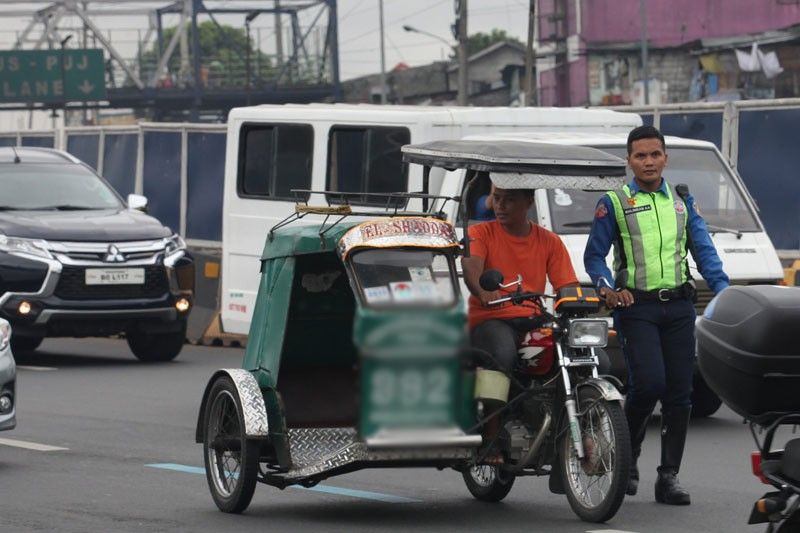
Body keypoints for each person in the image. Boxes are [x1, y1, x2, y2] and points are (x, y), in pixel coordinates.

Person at [584, 125, 729, 506]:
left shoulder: (682, 201)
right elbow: (594, 256)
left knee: (681, 394)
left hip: (680, 307)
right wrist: (607, 290)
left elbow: (704, 250)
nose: (648, 162)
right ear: (629, 161)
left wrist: (725, 291)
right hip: (638, 309)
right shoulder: (614, 202)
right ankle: (626, 460)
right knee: (648, 384)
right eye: (640, 156)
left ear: (666, 157)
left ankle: (668, 478)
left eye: (655, 155)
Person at [462, 186, 578, 456]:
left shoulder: (549, 240)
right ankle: (491, 436)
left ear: (528, 202)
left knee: (580, 356)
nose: (500, 206)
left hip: (532, 318)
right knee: (502, 354)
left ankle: (563, 427)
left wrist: (581, 299)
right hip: (490, 318)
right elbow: (472, 265)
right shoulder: (481, 233)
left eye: (509, 200)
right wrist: (483, 290)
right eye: (497, 199)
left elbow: (567, 284)